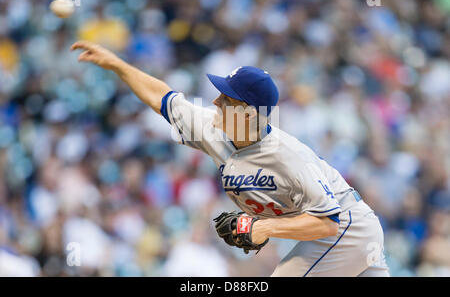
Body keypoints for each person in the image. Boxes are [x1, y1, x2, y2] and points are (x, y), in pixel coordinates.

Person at [71, 41, 390, 277]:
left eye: (227, 98)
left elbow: (327, 222)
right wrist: (118, 65)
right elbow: (163, 98)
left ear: (249, 113)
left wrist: (262, 228)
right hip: (352, 233)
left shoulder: (288, 157)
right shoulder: (213, 127)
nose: (215, 101)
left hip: (347, 228)